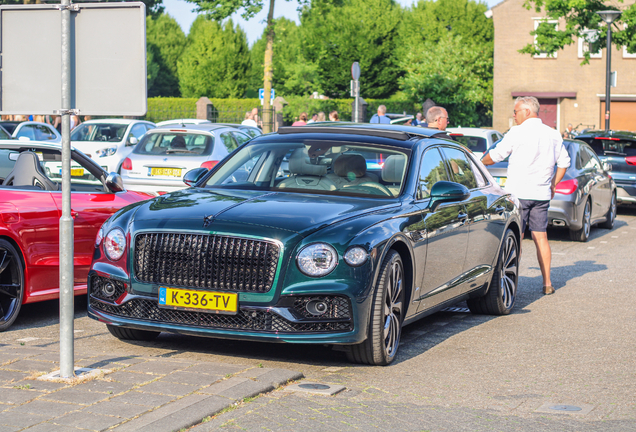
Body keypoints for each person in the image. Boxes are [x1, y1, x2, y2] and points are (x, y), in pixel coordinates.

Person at [481, 96, 570, 296]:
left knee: (516, 238)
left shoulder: (517, 132)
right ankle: (547, 282)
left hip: (518, 195)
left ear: (527, 111)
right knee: (541, 237)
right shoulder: (553, 134)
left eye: (516, 111)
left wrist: (477, 162)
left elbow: (496, 156)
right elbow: (564, 163)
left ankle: (511, 283)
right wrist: (553, 184)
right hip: (541, 194)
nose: (514, 115)